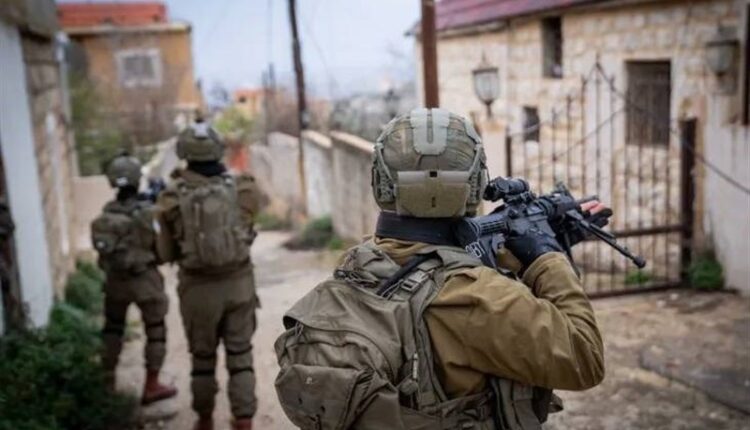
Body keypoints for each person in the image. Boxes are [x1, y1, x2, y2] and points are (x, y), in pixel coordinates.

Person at [274, 108, 606, 429]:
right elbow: (585, 357)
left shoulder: (361, 264)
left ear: (380, 183)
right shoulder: (478, 297)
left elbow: (434, 268)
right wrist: (547, 257)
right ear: (474, 184)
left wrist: (515, 255)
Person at [156, 119, 262, 430]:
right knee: (241, 357)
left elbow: (165, 254)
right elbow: (249, 225)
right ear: (218, 150)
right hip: (239, 286)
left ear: (183, 152)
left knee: (202, 362)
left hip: (197, 291)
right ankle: (244, 420)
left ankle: (204, 420)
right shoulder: (243, 188)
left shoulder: (170, 198)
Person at [91, 153, 177, 405]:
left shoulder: (106, 214)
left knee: (112, 330)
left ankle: (107, 384)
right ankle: (152, 385)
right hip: (145, 280)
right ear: (137, 180)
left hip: (115, 282)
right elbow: (164, 251)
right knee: (156, 331)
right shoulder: (148, 213)